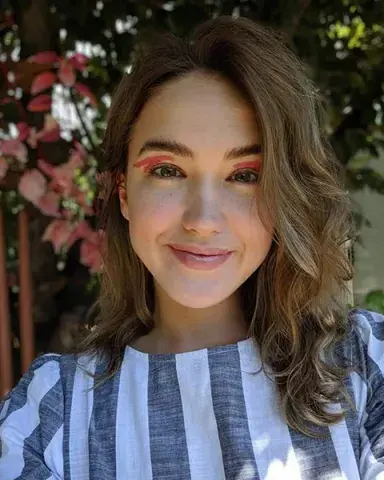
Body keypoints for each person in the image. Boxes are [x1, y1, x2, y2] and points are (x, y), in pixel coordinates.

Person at [0, 15, 383, 480]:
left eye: (245, 176)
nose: (202, 220)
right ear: (122, 191)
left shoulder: (366, 365)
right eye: (167, 170)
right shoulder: (51, 411)